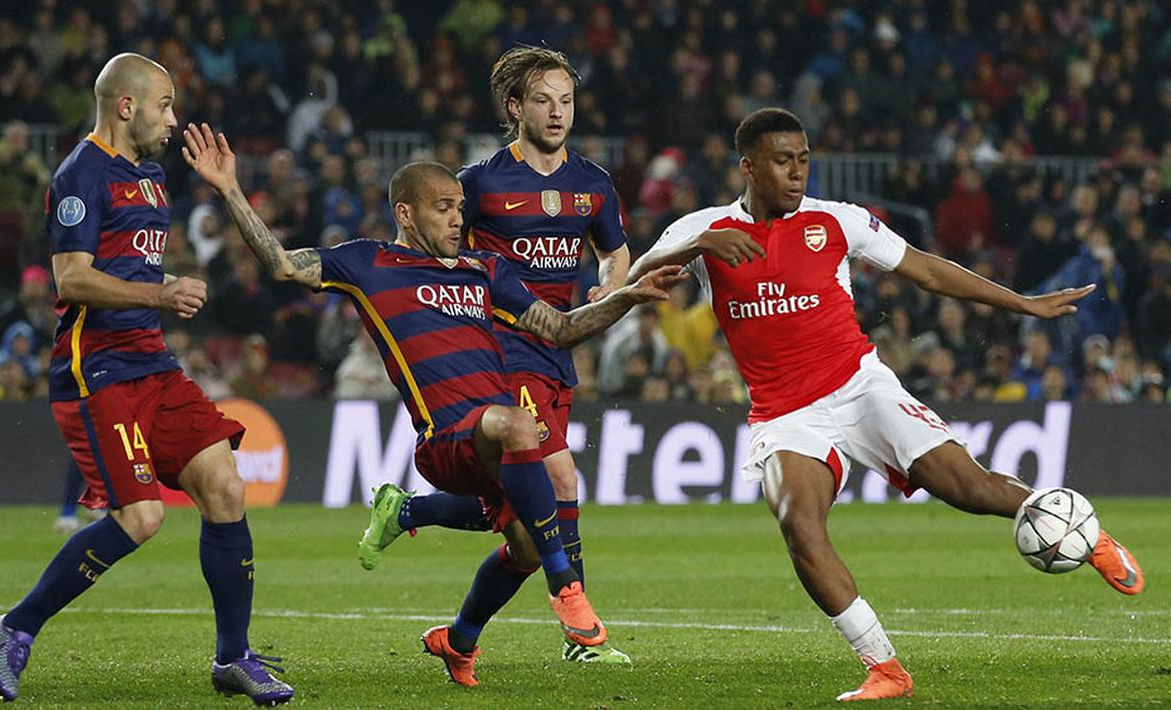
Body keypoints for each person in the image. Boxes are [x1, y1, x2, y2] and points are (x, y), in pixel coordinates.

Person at [627, 108, 1145, 702]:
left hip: (860, 386)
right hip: (784, 413)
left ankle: (1088, 535)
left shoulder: (838, 222)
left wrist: (1022, 304)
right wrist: (698, 242)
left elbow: (926, 269)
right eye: (781, 161)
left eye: (803, 159)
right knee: (798, 524)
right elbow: (638, 275)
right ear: (748, 166)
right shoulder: (706, 229)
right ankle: (885, 668)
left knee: (968, 488)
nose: (797, 172)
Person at [182, 119, 684, 687]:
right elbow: (280, 262)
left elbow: (561, 328)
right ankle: (567, 587)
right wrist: (229, 190)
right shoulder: (368, 264)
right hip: (447, 438)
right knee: (527, 432)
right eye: (443, 207)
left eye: (459, 207)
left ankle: (458, 639)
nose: (457, 218)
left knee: (520, 546)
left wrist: (625, 297)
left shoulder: (484, 269)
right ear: (406, 213)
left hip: (494, 439)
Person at [0, 54, 292, 706]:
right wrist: (160, 292)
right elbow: (71, 278)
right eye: (166, 105)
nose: (174, 120)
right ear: (127, 106)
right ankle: (15, 627)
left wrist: (225, 191)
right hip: (98, 372)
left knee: (225, 487)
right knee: (142, 516)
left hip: (153, 365)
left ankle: (233, 657)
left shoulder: (150, 178)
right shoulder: (79, 175)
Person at [357, 44, 634, 665]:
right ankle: (577, 624)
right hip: (502, 352)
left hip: (557, 346)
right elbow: (437, 247)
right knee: (560, 477)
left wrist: (609, 282)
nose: (558, 112)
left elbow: (614, 251)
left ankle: (414, 526)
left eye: (566, 99)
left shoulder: (593, 184)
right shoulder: (479, 184)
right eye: (543, 100)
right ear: (515, 108)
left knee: (516, 511)